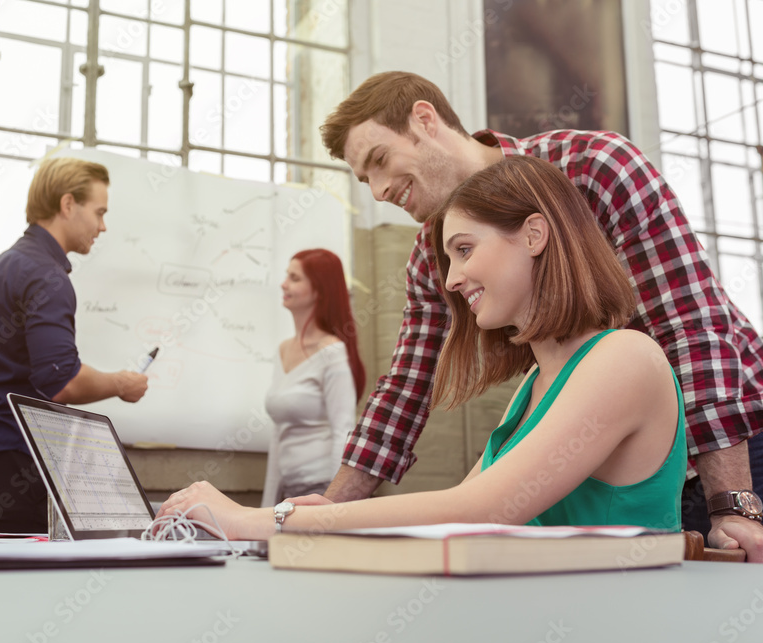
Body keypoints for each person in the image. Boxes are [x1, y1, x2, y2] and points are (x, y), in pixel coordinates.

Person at [315, 71, 763, 561]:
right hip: (610, 468)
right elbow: (404, 389)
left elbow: (689, 328)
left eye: (379, 161)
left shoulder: (595, 167)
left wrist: (733, 504)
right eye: (364, 180)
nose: (378, 191)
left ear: (425, 120)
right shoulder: (431, 257)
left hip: (732, 442)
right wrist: (321, 515)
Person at [156, 156, 686, 537]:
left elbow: (482, 509)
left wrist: (260, 519)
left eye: (463, 250)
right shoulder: (535, 382)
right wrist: (319, 520)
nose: (452, 280)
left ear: (533, 235)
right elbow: (458, 514)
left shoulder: (624, 358)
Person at [0, 157, 148, 533]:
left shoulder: (6, 265)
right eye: (99, 212)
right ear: (68, 205)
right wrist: (121, 384)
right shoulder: (46, 276)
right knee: (28, 589)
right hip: (4, 464)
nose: (103, 226)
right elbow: (61, 381)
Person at [262, 249, 366, 506]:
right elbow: (278, 433)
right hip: (289, 491)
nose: (283, 284)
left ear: (319, 290)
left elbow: (342, 430)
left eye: (294, 278)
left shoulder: (331, 352)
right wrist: (266, 506)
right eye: (287, 276)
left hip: (320, 488)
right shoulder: (283, 349)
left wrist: (331, 502)